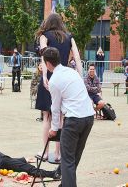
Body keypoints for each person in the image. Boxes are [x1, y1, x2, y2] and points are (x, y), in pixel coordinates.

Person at [43, 47, 94, 187]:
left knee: (67, 160)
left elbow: (55, 107)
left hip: (74, 120)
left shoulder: (54, 81)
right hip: (89, 117)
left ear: (47, 64)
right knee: (74, 157)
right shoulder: (72, 72)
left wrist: (53, 128)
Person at [35, 13, 82, 161]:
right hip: (64, 77)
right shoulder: (69, 37)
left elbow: (44, 56)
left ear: (47, 22)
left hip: (49, 76)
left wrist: (44, 76)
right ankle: (58, 155)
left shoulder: (44, 36)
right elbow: (77, 58)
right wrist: (79, 77)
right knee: (61, 117)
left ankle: (44, 153)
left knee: (47, 117)